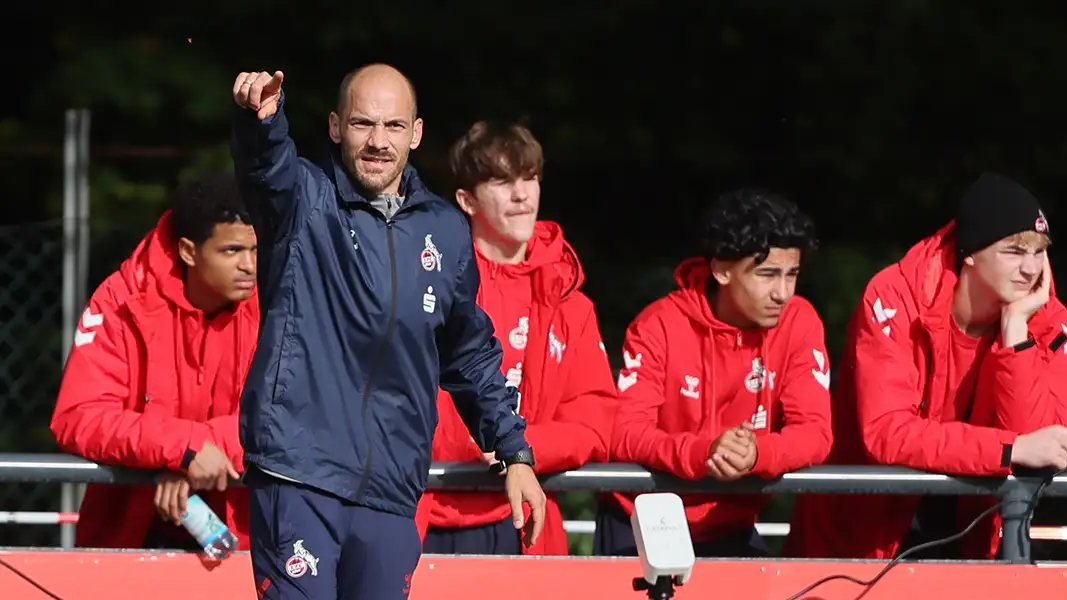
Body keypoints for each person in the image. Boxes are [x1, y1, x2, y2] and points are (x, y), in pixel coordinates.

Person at [230, 65, 546, 600]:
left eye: (394, 126)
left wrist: (515, 453)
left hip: (391, 489)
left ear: (416, 133)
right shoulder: (302, 200)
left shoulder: (444, 229)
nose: (378, 141)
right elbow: (265, 166)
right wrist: (262, 119)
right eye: (362, 124)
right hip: (299, 472)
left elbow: (469, 354)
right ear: (335, 127)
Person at [786, 172, 1067, 560]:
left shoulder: (1045, 318)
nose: (1030, 269)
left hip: (975, 534)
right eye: (1014, 251)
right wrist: (1010, 449)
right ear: (969, 252)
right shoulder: (894, 298)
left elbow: (1042, 444)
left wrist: (1016, 332)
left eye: (1039, 252)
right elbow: (887, 432)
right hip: (863, 539)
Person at [414, 122, 616, 555]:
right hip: (424, 511)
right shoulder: (428, 284)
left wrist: (521, 449)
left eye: (530, 178)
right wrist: (474, 444)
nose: (522, 194)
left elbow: (597, 422)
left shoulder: (569, 299)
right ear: (466, 201)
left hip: (526, 520)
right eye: (502, 182)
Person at [595, 188, 832, 557]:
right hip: (640, 519)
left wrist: (757, 454)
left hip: (733, 521)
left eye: (792, 274)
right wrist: (703, 452)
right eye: (768, 274)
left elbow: (816, 433)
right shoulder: (658, 324)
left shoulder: (800, 322)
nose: (782, 293)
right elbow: (623, 434)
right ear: (721, 270)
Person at [50, 173, 258, 550]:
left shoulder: (281, 297)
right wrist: (184, 448)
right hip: (130, 535)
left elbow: (304, 414)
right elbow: (77, 416)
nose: (249, 266)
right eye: (231, 251)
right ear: (188, 251)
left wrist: (195, 457)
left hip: (253, 539)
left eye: (255, 250)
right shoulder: (122, 299)